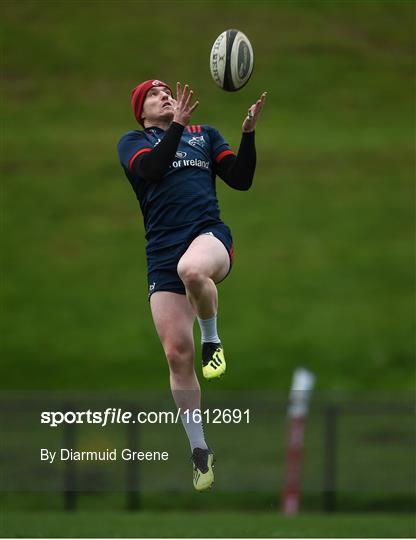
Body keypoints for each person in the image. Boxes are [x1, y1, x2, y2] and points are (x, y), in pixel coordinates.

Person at [117, 79, 266, 491]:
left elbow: (240, 179)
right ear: (141, 111)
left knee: (193, 270)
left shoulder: (205, 136)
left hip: (209, 236)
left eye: (167, 90)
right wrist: (177, 126)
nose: (164, 94)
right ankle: (200, 451)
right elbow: (151, 170)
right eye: (154, 93)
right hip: (161, 256)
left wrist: (248, 135)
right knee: (176, 356)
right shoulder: (132, 142)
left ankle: (212, 339)